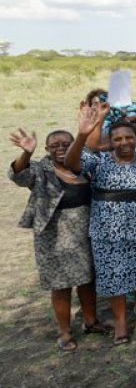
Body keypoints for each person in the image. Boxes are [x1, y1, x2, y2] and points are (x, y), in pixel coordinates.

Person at [9, 127, 110, 351]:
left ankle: (91, 321)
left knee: (87, 278)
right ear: (47, 149)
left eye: (66, 144)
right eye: (55, 145)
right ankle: (64, 332)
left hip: (85, 230)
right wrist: (26, 153)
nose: (61, 148)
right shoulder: (41, 169)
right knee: (60, 284)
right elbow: (19, 175)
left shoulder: (82, 167)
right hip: (53, 235)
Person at [66, 106, 136, 345]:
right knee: (113, 274)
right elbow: (71, 163)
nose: (124, 142)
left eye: (128, 137)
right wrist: (82, 135)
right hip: (107, 230)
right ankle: (120, 322)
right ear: (111, 141)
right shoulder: (99, 160)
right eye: (117, 138)